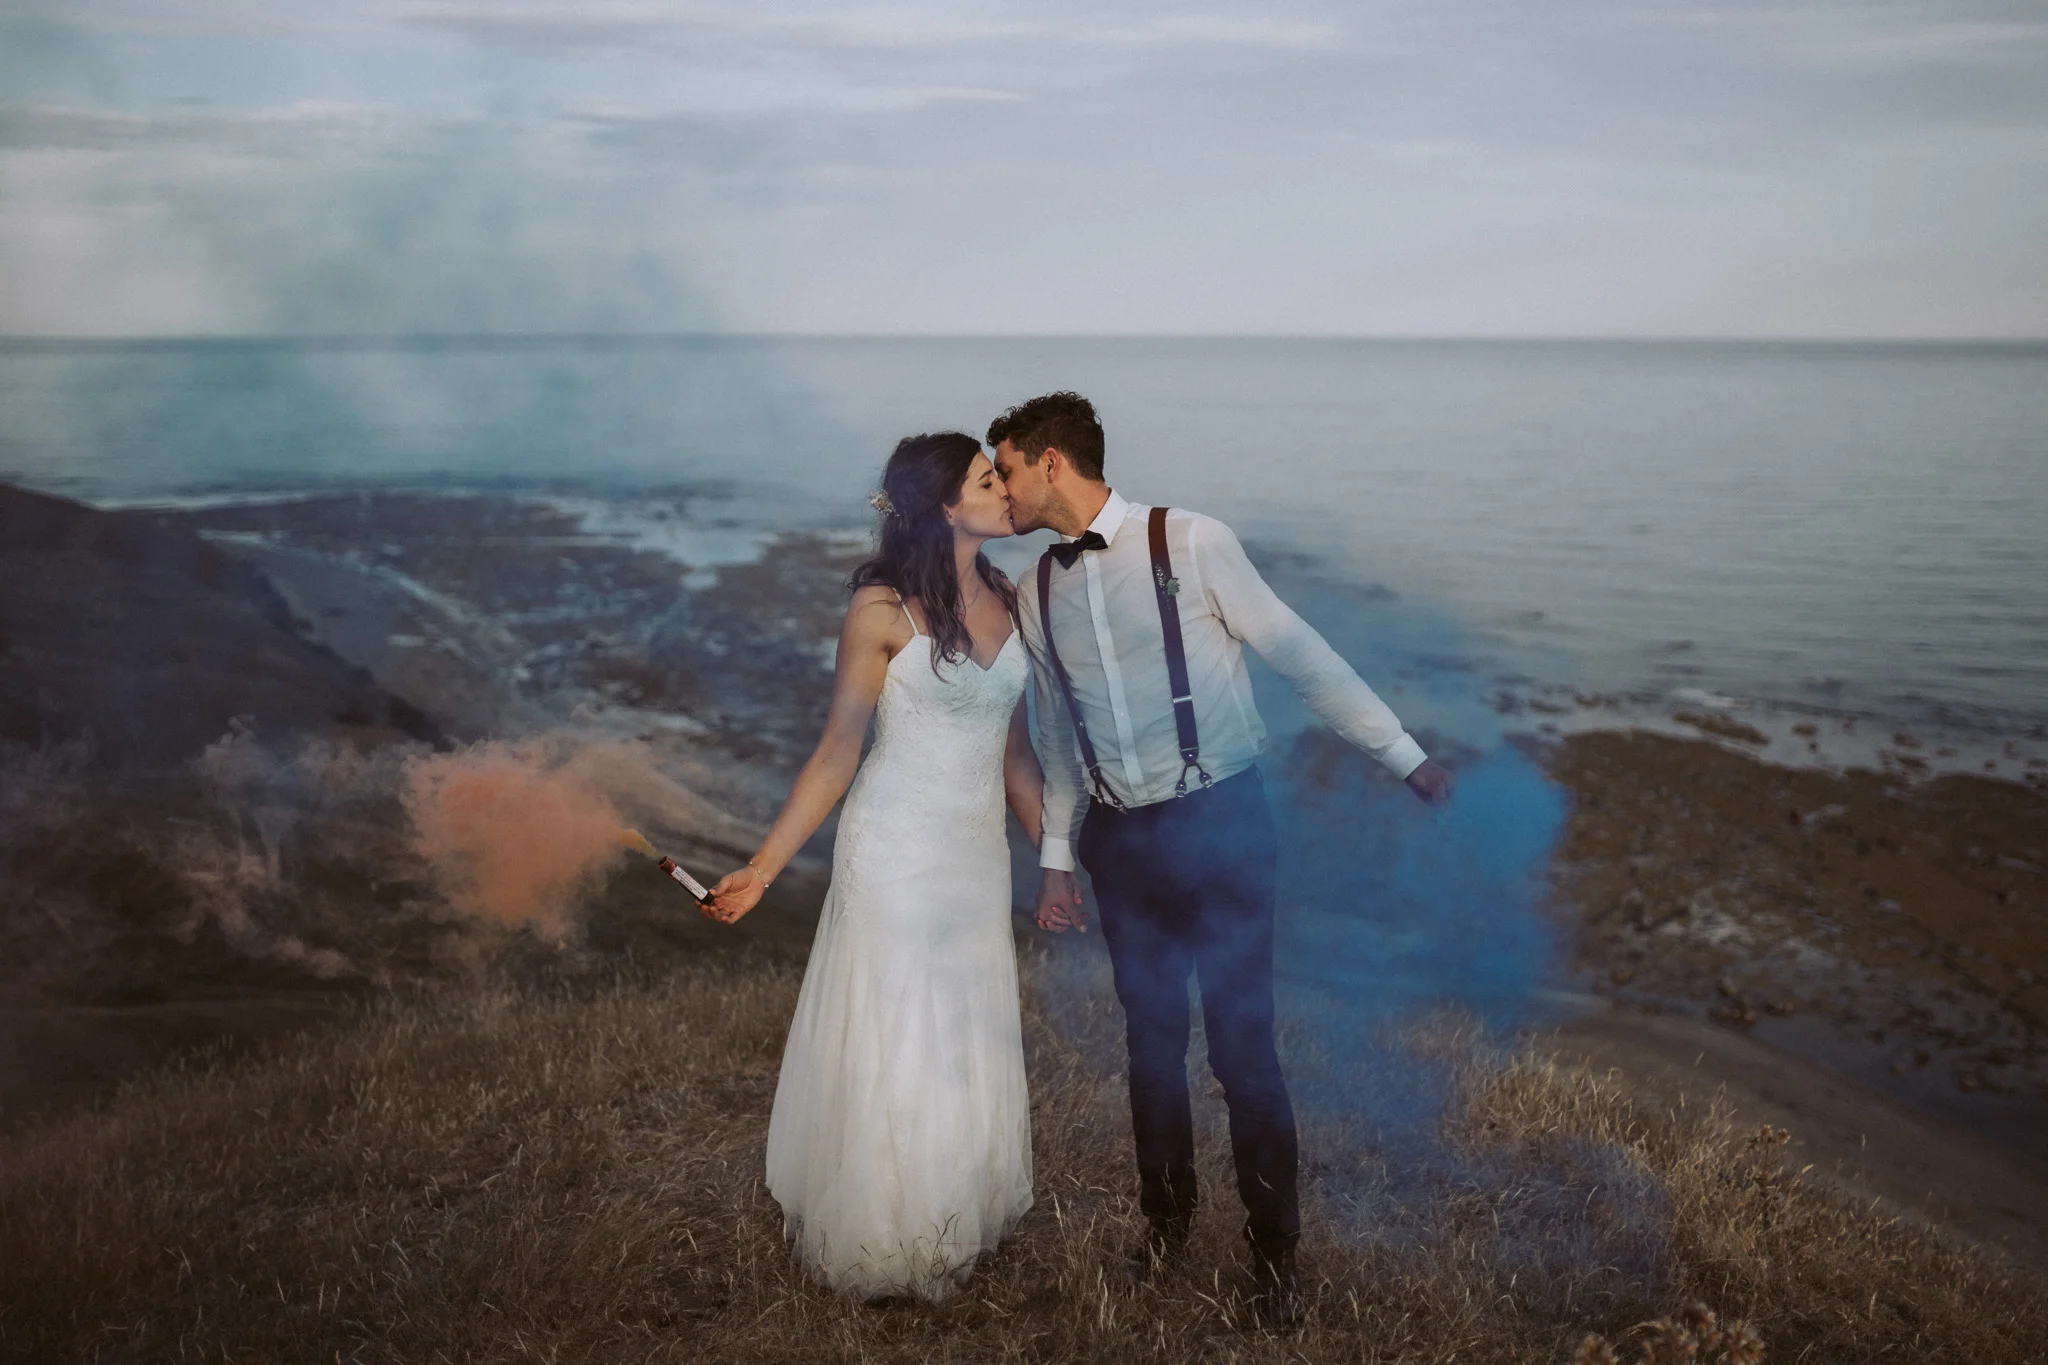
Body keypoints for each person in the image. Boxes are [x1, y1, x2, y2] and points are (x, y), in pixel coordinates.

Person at [992, 392, 1453, 1329]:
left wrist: (1404, 757)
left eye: (1003, 470)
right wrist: (1053, 860)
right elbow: (1055, 732)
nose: (997, 489)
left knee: (1244, 1052)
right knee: (1151, 1051)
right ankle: (1165, 1229)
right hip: (1120, 845)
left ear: (1050, 462)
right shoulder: (1037, 589)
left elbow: (1303, 655)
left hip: (1223, 827)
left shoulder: (1193, 542)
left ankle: (1274, 1256)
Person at [704, 432, 1040, 1301]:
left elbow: (1017, 763)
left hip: (973, 859)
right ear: (942, 507)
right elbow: (834, 754)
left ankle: (948, 1213)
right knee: (902, 1034)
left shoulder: (1010, 596)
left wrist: (1069, 860)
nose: (1006, 489)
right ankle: (882, 1239)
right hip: (891, 852)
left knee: (961, 1032)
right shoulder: (881, 612)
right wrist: (765, 869)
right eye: (985, 478)